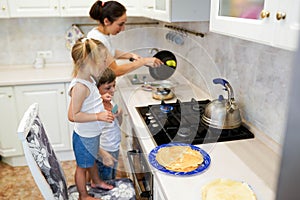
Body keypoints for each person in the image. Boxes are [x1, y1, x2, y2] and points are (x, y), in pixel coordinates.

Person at [68, 37, 114, 200]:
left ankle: (96, 182)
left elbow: (88, 103)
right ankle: (83, 195)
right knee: (82, 167)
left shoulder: (89, 80)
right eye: (102, 61)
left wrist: (101, 99)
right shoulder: (79, 86)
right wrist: (98, 115)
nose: (105, 64)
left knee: (92, 160)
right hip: (84, 137)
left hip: (92, 134)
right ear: (89, 62)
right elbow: (72, 115)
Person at [87, 0, 163, 76]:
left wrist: (131, 55)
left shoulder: (102, 34)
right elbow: (115, 71)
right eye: (120, 24)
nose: (123, 28)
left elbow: (110, 51)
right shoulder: (97, 40)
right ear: (106, 21)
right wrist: (143, 61)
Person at [96, 67, 122, 180]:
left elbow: (118, 124)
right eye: (108, 87)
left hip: (114, 148)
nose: (112, 90)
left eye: (114, 85)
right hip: (104, 151)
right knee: (104, 181)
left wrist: (119, 113)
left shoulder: (110, 101)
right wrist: (103, 154)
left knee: (111, 178)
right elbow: (90, 139)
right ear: (96, 90)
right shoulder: (96, 110)